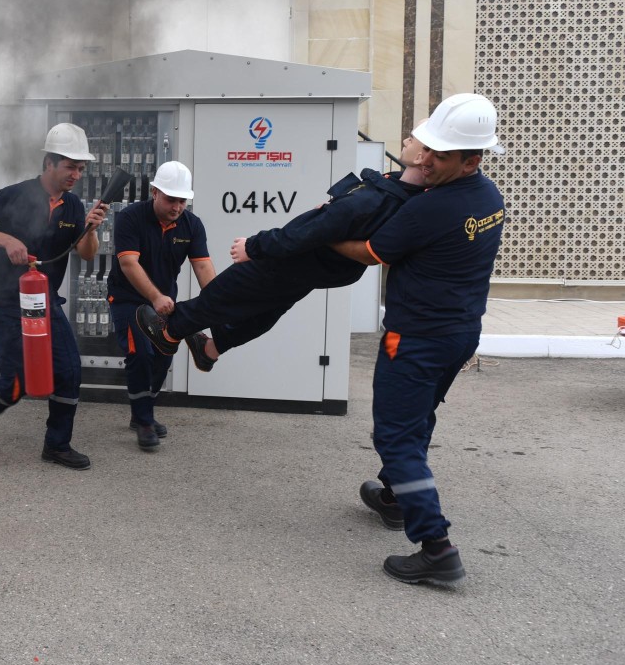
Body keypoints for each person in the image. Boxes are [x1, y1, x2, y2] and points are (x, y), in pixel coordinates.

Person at [329, 93, 505, 586]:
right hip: (459, 334)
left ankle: (436, 547)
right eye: (426, 148)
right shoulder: (489, 197)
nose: (426, 160)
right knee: (418, 415)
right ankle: (394, 497)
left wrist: (323, 233)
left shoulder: (434, 208)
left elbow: (370, 252)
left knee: (395, 434)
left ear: (472, 160)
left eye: (440, 155)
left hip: (412, 339)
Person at [134, 134, 427, 371]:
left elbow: (310, 231)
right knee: (267, 308)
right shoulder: (400, 196)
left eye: (413, 138)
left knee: (229, 290)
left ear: (422, 156)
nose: (406, 140)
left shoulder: (377, 201)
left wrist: (254, 246)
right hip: (318, 268)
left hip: (297, 258)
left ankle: (170, 332)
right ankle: (210, 349)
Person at [0, 123, 109, 469]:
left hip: (43, 301)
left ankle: (57, 445)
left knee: (69, 369)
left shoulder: (73, 206)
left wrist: (91, 229)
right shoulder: (13, 195)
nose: (76, 175)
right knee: (18, 381)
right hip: (2, 301)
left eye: (80, 169)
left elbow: (87, 254)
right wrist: (6, 239)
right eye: (70, 167)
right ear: (49, 163)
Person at [106, 161, 215, 451]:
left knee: (163, 356)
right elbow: (128, 264)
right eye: (171, 199)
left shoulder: (192, 225)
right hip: (128, 298)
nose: (177, 207)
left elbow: (203, 267)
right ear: (154, 192)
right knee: (140, 353)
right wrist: (155, 297)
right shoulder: (130, 218)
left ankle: (143, 409)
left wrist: (220, 305)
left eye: (182, 201)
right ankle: (144, 420)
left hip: (164, 302)